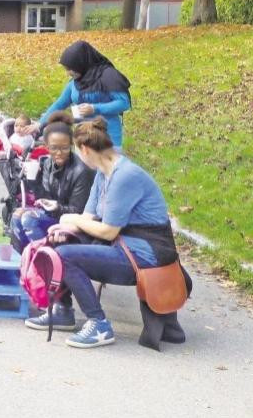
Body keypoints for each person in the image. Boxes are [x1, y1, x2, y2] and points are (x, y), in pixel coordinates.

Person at [25, 118, 187, 349]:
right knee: (55, 245)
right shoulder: (103, 171)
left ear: (85, 149)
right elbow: (89, 216)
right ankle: (62, 310)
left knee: (65, 256)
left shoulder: (125, 176)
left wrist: (69, 219)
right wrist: (64, 228)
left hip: (144, 255)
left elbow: (108, 231)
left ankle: (99, 324)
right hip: (122, 246)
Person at [9, 111, 95, 251]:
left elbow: (78, 211)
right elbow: (45, 198)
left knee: (29, 220)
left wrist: (55, 208)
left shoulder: (81, 171)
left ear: (71, 146)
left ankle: (45, 260)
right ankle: (25, 261)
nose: (59, 152)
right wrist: (33, 180)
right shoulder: (48, 164)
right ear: (47, 147)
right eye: (54, 148)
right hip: (55, 213)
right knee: (17, 217)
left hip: (73, 222)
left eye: (65, 148)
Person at [25, 40, 131, 150]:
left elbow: (124, 103)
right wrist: (39, 124)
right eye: (66, 69)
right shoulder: (75, 83)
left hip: (108, 137)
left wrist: (94, 108)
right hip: (83, 138)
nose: (68, 73)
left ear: (80, 64)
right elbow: (59, 105)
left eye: (70, 69)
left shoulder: (108, 75)